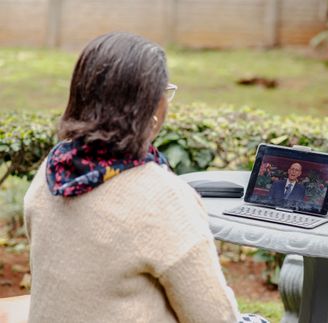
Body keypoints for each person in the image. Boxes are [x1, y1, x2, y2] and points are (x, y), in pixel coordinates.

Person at [23, 32, 267, 323]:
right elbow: (215, 316)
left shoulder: (52, 170)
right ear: (150, 107)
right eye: (165, 91)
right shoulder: (162, 197)